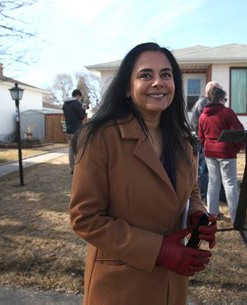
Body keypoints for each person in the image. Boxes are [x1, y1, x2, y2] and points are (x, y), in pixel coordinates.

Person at [69, 42, 218, 305]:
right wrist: (159, 250)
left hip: (172, 283)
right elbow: (85, 218)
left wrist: (197, 215)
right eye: (146, 75)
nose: (158, 82)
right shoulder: (100, 138)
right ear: (127, 87)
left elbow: (191, 191)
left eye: (166, 74)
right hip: (121, 286)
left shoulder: (183, 140)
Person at [198, 87, 244, 223]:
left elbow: (201, 136)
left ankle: (212, 213)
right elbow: (239, 131)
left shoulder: (203, 115)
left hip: (209, 151)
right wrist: (237, 146)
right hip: (226, 152)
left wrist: (208, 145)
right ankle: (235, 217)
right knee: (230, 183)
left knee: (213, 182)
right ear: (220, 99)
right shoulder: (227, 112)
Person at [190, 81, 222, 201]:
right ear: (210, 91)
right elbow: (196, 124)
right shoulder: (203, 103)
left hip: (211, 141)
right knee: (204, 169)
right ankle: (203, 195)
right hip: (203, 141)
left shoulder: (211, 102)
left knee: (214, 169)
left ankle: (219, 194)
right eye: (217, 90)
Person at [62, 89, 86, 174]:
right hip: (77, 130)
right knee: (78, 149)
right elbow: (82, 117)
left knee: (71, 149)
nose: (79, 99)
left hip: (69, 130)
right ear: (77, 96)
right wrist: (83, 109)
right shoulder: (76, 104)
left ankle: (72, 169)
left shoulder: (64, 105)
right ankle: (78, 168)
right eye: (79, 97)